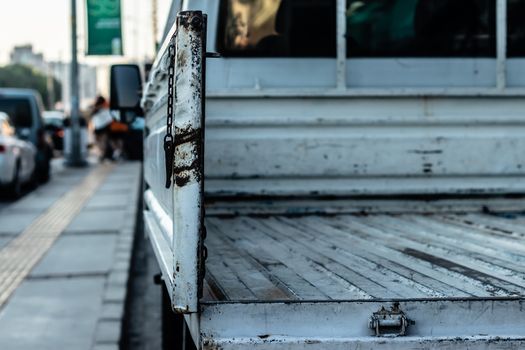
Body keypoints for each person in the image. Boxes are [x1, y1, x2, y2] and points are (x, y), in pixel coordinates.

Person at [90, 96, 113, 161]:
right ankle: (102, 154)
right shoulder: (97, 109)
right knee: (101, 143)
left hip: (102, 128)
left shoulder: (104, 109)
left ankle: (103, 155)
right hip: (100, 128)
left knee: (102, 143)